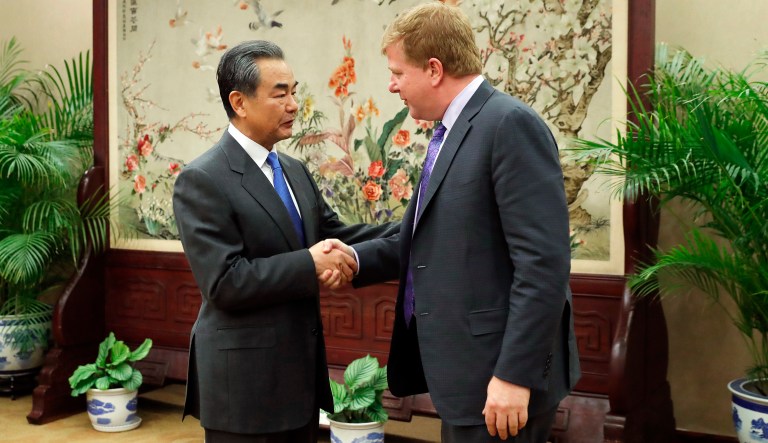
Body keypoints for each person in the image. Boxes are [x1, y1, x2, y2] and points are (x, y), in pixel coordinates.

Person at [341, 3, 581, 442]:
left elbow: (543, 265)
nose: (392, 85)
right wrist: (355, 258)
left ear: (434, 69)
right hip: (467, 377)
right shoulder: (451, 131)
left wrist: (514, 376)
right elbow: (427, 238)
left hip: (499, 381)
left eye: (397, 72)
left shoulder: (509, 125)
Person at [172, 40, 396, 442]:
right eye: (281, 94)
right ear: (239, 102)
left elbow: (337, 237)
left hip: (299, 382)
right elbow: (225, 282)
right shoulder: (203, 179)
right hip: (244, 390)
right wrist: (310, 264)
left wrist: (416, 230)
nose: (294, 104)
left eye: (294, 91)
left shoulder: (292, 169)